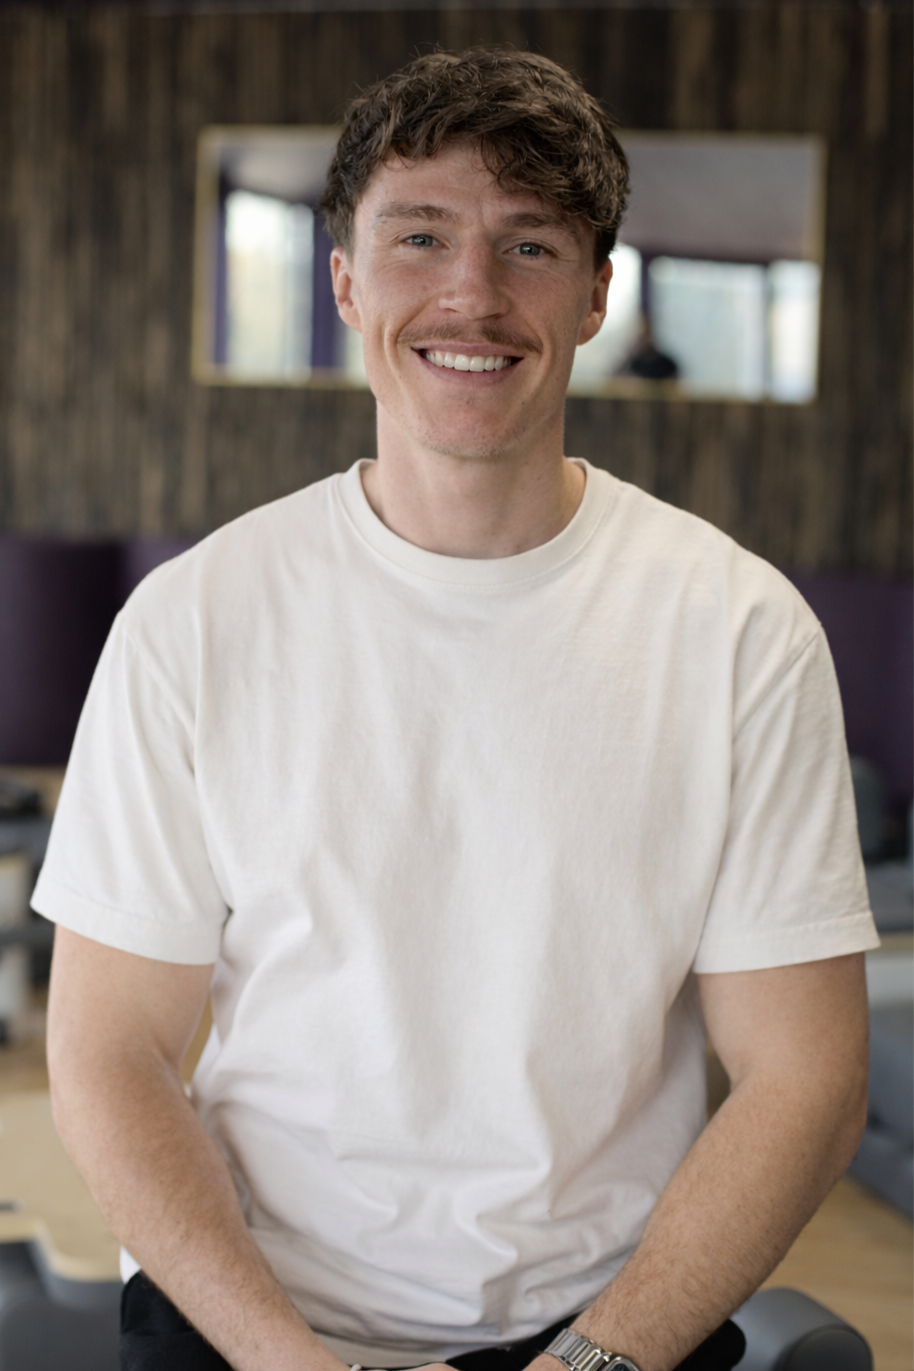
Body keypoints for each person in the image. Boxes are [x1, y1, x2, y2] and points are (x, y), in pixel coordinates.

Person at [36, 48, 877, 1371]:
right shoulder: (194, 620)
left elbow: (805, 1077)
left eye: (528, 246)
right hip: (249, 1315)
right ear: (345, 280)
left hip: (601, 1325)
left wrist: (593, 1361)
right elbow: (106, 1051)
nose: (470, 295)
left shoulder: (738, 629)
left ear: (598, 294)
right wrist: (284, 1360)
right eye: (420, 235)